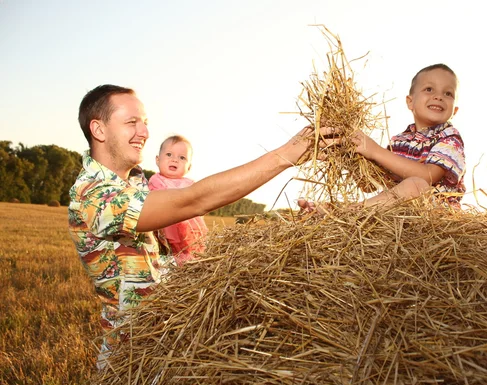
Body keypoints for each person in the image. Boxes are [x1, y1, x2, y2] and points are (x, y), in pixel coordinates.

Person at [68, 84, 330, 367]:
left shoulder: (135, 183)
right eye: (131, 122)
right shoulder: (94, 195)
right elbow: (193, 200)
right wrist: (287, 154)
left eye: (145, 122)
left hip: (162, 343)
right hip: (130, 358)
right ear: (99, 130)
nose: (144, 132)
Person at [299, 63, 466, 211]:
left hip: (434, 212)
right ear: (410, 102)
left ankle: (347, 212)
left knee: (416, 185)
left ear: (455, 111)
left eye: (448, 94)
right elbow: (369, 185)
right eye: (429, 89)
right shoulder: (399, 141)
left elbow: (428, 176)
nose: (438, 96)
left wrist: (374, 151)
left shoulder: (450, 138)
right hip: (396, 215)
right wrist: (350, 156)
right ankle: (333, 210)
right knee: (376, 198)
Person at [148, 135, 208, 264]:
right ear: (158, 160)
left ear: (189, 167)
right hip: (169, 231)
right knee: (171, 254)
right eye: (169, 155)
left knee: (195, 253)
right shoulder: (156, 180)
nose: (175, 160)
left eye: (182, 158)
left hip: (191, 232)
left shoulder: (191, 184)